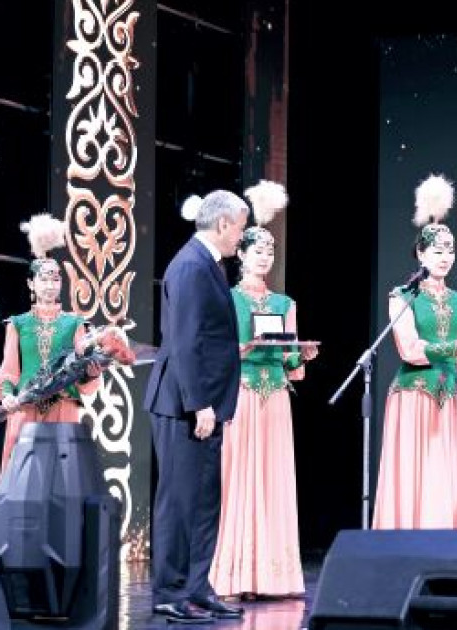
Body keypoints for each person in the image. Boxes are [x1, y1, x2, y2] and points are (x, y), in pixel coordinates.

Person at [210, 184, 319, 599]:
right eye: (258, 250)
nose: (265, 257)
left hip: (275, 398)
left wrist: (301, 354)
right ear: (241, 254)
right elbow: (216, 351)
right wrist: (245, 348)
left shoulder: (284, 303)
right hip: (241, 394)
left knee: (274, 481)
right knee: (240, 479)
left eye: (270, 252)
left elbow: (289, 362)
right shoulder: (227, 299)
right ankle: (235, 576)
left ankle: (274, 578)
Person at [145, 190, 249, 623]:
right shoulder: (190, 265)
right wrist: (200, 403)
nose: (241, 237)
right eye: (240, 228)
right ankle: (169, 591)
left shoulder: (208, 264)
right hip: (184, 405)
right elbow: (185, 341)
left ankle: (196, 587)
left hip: (205, 404)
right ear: (222, 223)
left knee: (205, 502)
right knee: (179, 501)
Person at [372, 175, 457, 529]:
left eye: (450, 251)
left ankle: (443, 538)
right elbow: (410, 350)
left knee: (443, 470)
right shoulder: (403, 295)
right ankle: (405, 536)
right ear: (421, 253)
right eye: (437, 251)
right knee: (413, 470)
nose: (445, 258)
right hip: (413, 395)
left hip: (447, 395)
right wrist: (452, 347)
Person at [0, 214, 100, 476]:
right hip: (26, 408)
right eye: (44, 279)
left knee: (62, 481)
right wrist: (8, 396)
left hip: (63, 408)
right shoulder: (18, 324)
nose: (50, 286)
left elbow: (81, 369)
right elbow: (9, 372)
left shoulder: (75, 323)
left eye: (56, 280)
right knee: (23, 479)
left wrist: (92, 373)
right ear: (31, 283)